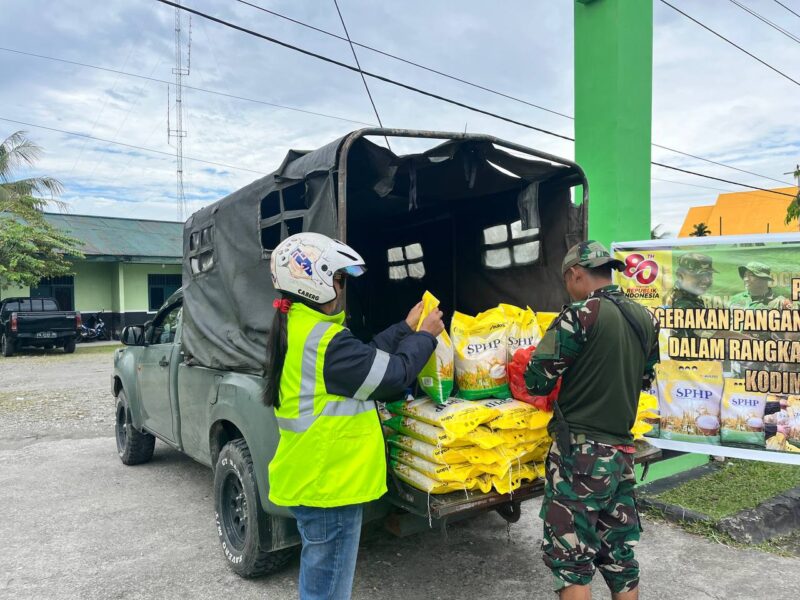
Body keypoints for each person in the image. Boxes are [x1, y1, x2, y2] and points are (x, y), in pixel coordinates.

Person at [265, 232, 444, 600]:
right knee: (327, 593)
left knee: (320, 585)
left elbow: (365, 359)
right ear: (313, 282)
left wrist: (405, 329)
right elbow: (393, 376)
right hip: (330, 486)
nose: (343, 288)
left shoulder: (303, 328)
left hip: (316, 479)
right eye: (339, 279)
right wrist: (425, 337)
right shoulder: (325, 342)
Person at [525, 240, 660, 600]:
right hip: (620, 453)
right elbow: (644, 379)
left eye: (567, 281)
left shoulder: (579, 315)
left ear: (575, 274)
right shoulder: (646, 318)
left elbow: (536, 380)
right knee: (618, 556)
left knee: (570, 560)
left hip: (579, 457)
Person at [729, 261, 793, 310]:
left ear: (764, 279)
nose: (746, 279)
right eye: (745, 275)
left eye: (751, 275)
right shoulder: (735, 299)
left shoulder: (780, 303)